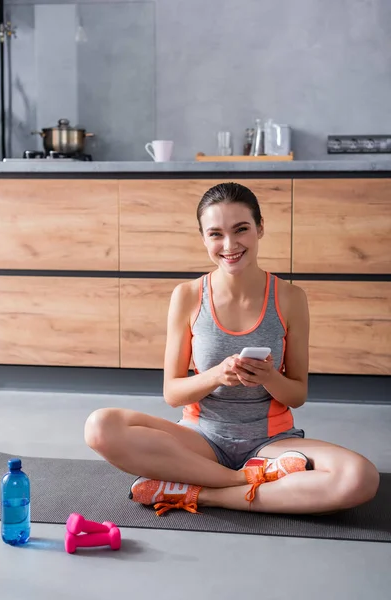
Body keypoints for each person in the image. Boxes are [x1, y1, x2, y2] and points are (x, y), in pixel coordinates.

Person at [84, 182, 379, 516]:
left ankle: (203, 494)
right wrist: (217, 376)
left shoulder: (290, 298)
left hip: (273, 442)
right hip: (199, 441)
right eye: (215, 234)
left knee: (360, 477)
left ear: (260, 228)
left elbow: (297, 394)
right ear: (203, 238)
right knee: (100, 426)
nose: (229, 245)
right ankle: (244, 481)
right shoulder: (188, 295)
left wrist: (268, 377)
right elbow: (173, 393)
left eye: (241, 229)